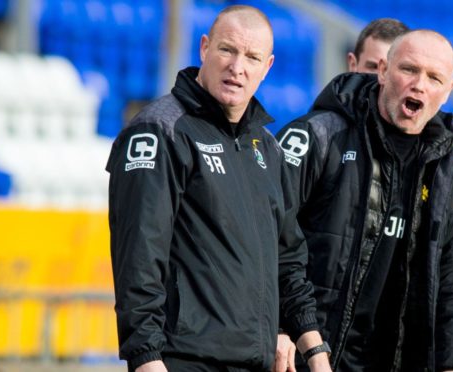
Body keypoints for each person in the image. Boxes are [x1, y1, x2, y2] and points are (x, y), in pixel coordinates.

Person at [106, 5, 331, 372]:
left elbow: (287, 258)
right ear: (205, 48)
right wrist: (146, 357)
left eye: (252, 57)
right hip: (183, 359)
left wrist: (313, 346)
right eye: (227, 50)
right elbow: (139, 258)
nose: (237, 67)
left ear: (267, 67)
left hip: (255, 361)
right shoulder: (160, 131)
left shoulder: (267, 148)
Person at [276, 30, 453, 371]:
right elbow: (267, 237)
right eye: (409, 70)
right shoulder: (320, 135)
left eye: (434, 77)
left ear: (448, 91)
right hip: (307, 357)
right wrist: (281, 326)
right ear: (383, 71)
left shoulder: (443, 168)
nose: (419, 84)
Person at [348, 18, 453, 332]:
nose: (379, 82)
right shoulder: (324, 136)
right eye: (373, 67)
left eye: (426, 74)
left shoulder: (445, 152)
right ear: (354, 65)